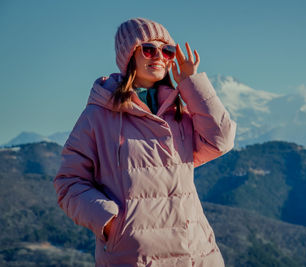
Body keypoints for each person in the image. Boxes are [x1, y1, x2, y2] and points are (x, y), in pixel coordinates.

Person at [53, 17, 236, 267]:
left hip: (196, 254)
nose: (159, 56)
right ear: (129, 56)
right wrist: (110, 222)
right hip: (132, 257)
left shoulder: (180, 111)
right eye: (149, 49)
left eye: (167, 50)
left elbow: (220, 140)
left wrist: (191, 82)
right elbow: (69, 182)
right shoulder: (98, 115)